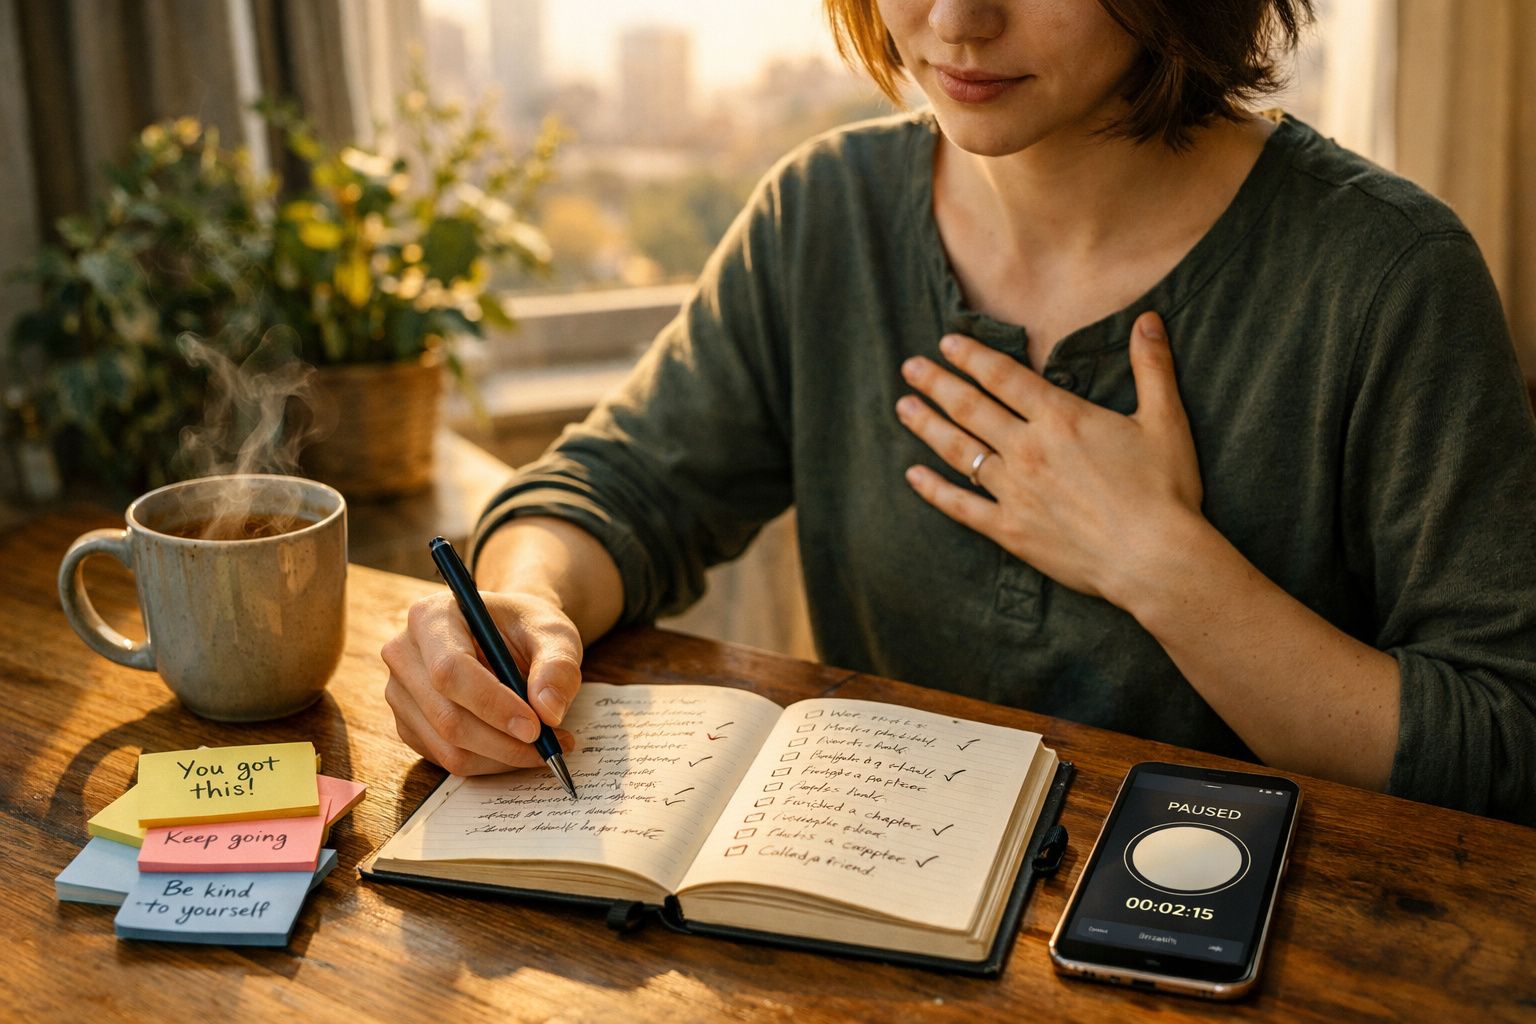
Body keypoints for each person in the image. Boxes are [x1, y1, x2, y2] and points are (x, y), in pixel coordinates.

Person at [382, 0, 1536, 824]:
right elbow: (621, 487)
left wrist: (1163, 567)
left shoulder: (1388, 277)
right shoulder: (822, 214)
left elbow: (1502, 741)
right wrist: (524, 601)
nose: (956, 19)